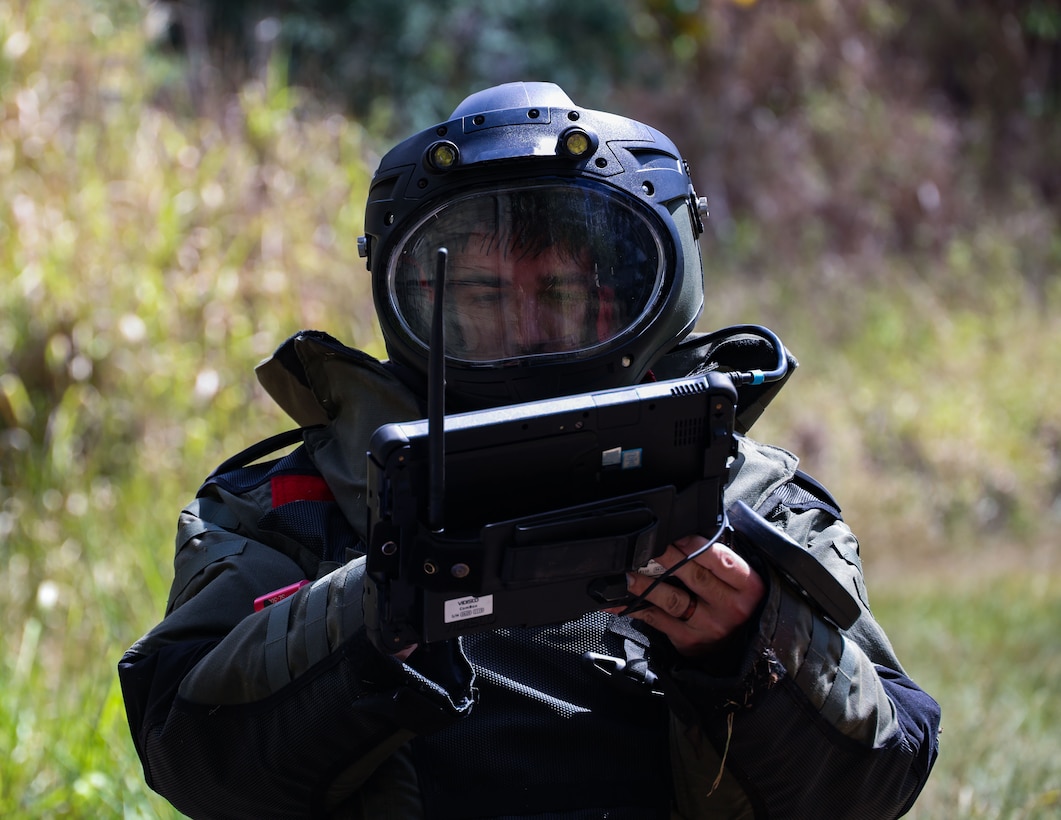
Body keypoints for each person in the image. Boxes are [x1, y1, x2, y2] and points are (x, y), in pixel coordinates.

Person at [118, 82, 941, 819]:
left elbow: (877, 781)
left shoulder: (755, 504)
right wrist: (374, 616)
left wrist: (750, 647)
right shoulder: (295, 502)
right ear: (407, 299)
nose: (522, 329)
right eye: (478, 296)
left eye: (563, 293)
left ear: (645, 291)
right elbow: (190, 757)